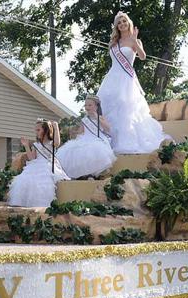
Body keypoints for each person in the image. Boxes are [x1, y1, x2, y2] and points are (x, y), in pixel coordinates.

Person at [97, 11, 169, 154]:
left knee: (125, 108)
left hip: (126, 80)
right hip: (112, 79)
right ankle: (107, 142)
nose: (122, 24)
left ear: (128, 23)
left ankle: (126, 142)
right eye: (119, 22)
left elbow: (142, 57)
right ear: (117, 26)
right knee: (107, 108)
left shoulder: (134, 40)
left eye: (124, 21)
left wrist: (135, 41)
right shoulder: (114, 43)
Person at [8, 119, 70, 207]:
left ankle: (43, 204)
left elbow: (57, 142)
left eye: (38, 130)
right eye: (35, 130)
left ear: (46, 130)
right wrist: (26, 146)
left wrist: (55, 127)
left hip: (47, 165)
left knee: (43, 183)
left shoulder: (51, 143)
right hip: (36, 165)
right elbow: (32, 158)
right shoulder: (36, 144)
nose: (36, 132)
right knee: (24, 179)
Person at [57, 95, 117, 179]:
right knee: (75, 151)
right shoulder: (84, 120)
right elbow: (81, 132)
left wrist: (96, 117)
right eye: (86, 105)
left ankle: (93, 174)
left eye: (90, 105)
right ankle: (84, 175)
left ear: (96, 106)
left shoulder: (100, 117)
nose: (87, 107)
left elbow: (107, 128)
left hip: (97, 138)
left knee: (93, 150)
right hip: (85, 138)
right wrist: (72, 131)